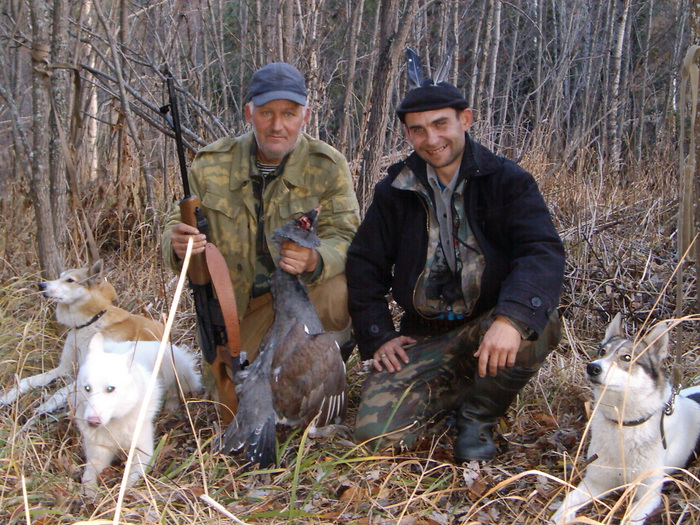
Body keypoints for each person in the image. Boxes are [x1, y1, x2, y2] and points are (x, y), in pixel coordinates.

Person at [346, 77, 565, 463]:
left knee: (536, 321)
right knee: (376, 437)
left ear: (466, 119)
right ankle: (461, 385)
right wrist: (379, 334)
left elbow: (540, 251)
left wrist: (511, 318)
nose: (431, 139)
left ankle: (478, 416)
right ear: (408, 134)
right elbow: (364, 264)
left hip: (488, 325)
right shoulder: (395, 190)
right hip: (423, 337)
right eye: (418, 129)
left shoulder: (507, 181)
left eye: (440, 124)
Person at [162, 62, 360, 403]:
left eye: (289, 114)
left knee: (338, 288)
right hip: (239, 312)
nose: (277, 125)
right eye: (266, 113)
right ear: (249, 114)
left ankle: (321, 374)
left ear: (305, 116)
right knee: (240, 403)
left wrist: (315, 258)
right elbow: (173, 226)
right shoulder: (211, 166)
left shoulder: (327, 166)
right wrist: (177, 244)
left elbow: (346, 236)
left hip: (301, 299)